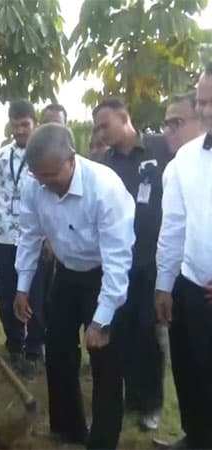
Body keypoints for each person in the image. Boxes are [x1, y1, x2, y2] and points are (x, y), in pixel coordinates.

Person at [14, 123, 135, 449]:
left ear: (71, 160)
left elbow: (118, 260)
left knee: (105, 362)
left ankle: (103, 440)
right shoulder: (35, 185)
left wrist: (101, 318)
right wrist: (22, 285)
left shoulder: (105, 188)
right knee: (58, 350)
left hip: (103, 275)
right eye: (39, 178)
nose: (45, 185)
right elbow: (29, 235)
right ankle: (68, 428)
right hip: (66, 273)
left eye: (51, 177)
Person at [94, 98, 170, 431]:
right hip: (118, 261)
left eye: (104, 125)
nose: (100, 132)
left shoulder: (160, 148)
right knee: (122, 330)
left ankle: (152, 403)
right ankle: (133, 396)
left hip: (153, 259)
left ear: (125, 118)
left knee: (148, 331)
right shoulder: (104, 164)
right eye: (97, 127)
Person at [154, 63, 212, 450]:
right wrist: (164, 284)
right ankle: (197, 438)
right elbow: (173, 225)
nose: (205, 110)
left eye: (211, 102)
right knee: (191, 370)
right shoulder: (185, 159)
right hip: (192, 285)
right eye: (201, 102)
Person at [0, 99, 48, 379]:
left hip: (33, 237)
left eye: (25, 124)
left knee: (34, 294)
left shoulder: (44, 156)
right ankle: (14, 343)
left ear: (34, 124)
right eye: (16, 124)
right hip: (3, 234)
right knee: (5, 292)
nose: (21, 130)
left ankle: (34, 349)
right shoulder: (0, 157)